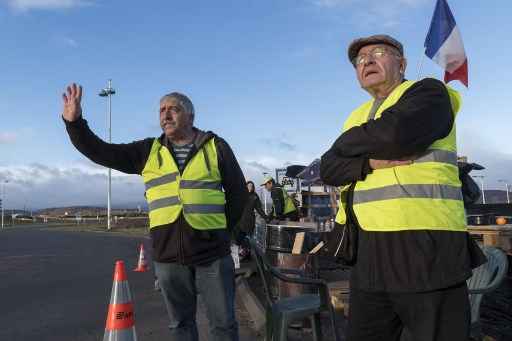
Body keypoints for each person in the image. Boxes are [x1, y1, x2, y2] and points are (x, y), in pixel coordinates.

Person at [319, 35, 486, 341]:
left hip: (427, 252)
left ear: (402, 63)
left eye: (378, 53)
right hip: (368, 256)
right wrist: (366, 163)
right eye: (359, 59)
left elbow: (396, 134)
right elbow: (328, 168)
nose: (367, 61)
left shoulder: (430, 93)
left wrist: (345, 146)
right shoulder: (356, 116)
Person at [61, 84, 247, 341]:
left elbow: (238, 194)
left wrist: (224, 233)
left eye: (173, 109)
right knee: (180, 325)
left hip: (212, 254)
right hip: (168, 256)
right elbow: (101, 151)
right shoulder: (148, 150)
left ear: (191, 116)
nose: (165, 115)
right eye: (161, 110)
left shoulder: (216, 146)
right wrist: (75, 124)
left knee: (224, 325)